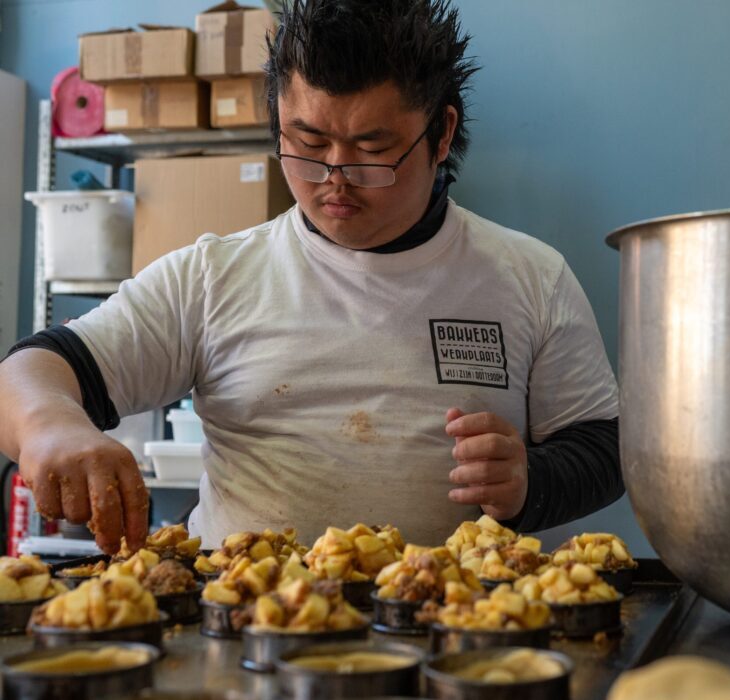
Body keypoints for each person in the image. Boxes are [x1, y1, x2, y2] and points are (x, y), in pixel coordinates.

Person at [0, 0, 622, 553]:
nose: (335, 177)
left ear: (441, 135)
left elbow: (606, 448)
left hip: (457, 631)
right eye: (308, 141)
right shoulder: (216, 275)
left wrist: (531, 484)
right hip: (246, 629)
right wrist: (50, 425)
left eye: (374, 150)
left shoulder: (529, 276)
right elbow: (27, 372)